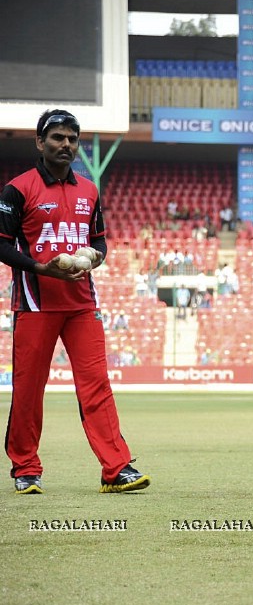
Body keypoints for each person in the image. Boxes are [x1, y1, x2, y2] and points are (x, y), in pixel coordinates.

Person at [0, 109, 150, 495]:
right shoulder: (18, 189)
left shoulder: (89, 189)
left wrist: (94, 257)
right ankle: (25, 468)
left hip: (82, 304)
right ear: (40, 142)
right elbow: (0, 244)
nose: (66, 145)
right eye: (57, 138)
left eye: (71, 139)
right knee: (29, 389)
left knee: (96, 385)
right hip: (35, 304)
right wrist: (41, 268)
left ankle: (116, 469)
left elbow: (99, 240)